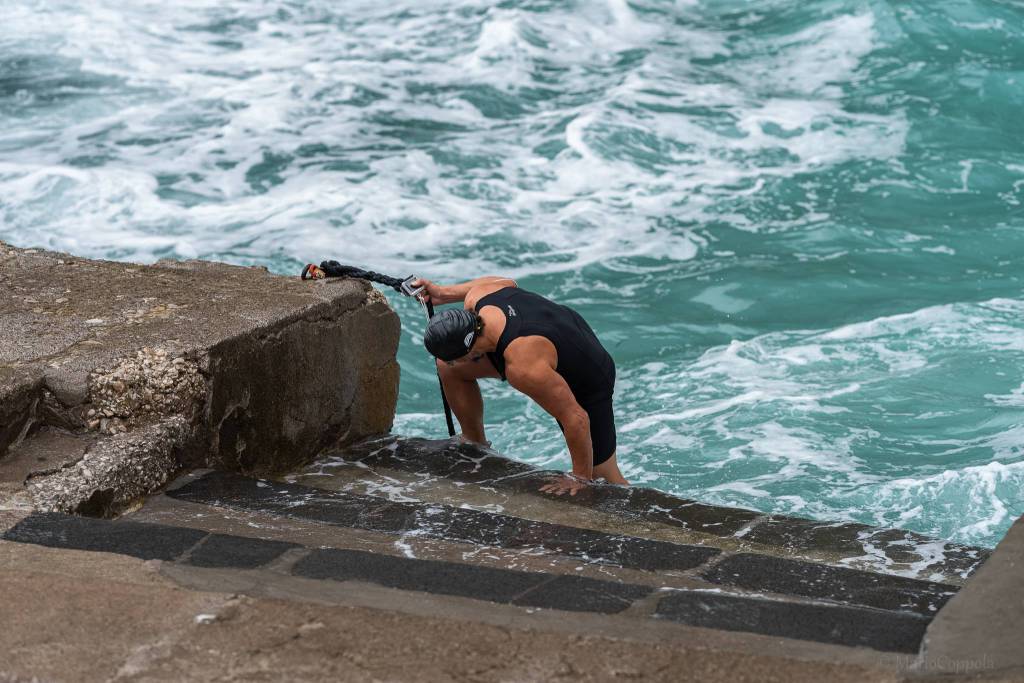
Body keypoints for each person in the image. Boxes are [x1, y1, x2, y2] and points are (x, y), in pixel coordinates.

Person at [412, 276, 628, 495]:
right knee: (449, 368)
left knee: (604, 476)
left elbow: (576, 418)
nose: (451, 362)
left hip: (588, 372)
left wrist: (580, 478)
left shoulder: (523, 368)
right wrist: (441, 293)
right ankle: (475, 444)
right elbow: (507, 282)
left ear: (468, 351)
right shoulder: (477, 298)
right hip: (554, 328)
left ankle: (634, 518)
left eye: (453, 357)